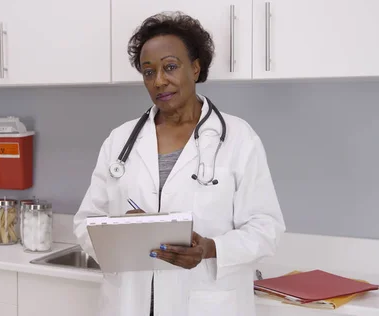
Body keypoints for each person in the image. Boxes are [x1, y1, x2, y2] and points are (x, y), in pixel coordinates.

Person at [73, 11, 286, 316]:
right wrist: (123, 231)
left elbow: (267, 229)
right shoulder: (119, 141)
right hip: (129, 304)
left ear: (196, 68)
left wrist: (210, 248)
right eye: (148, 72)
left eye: (170, 67)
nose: (159, 81)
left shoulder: (239, 139)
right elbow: (85, 223)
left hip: (205, 304)